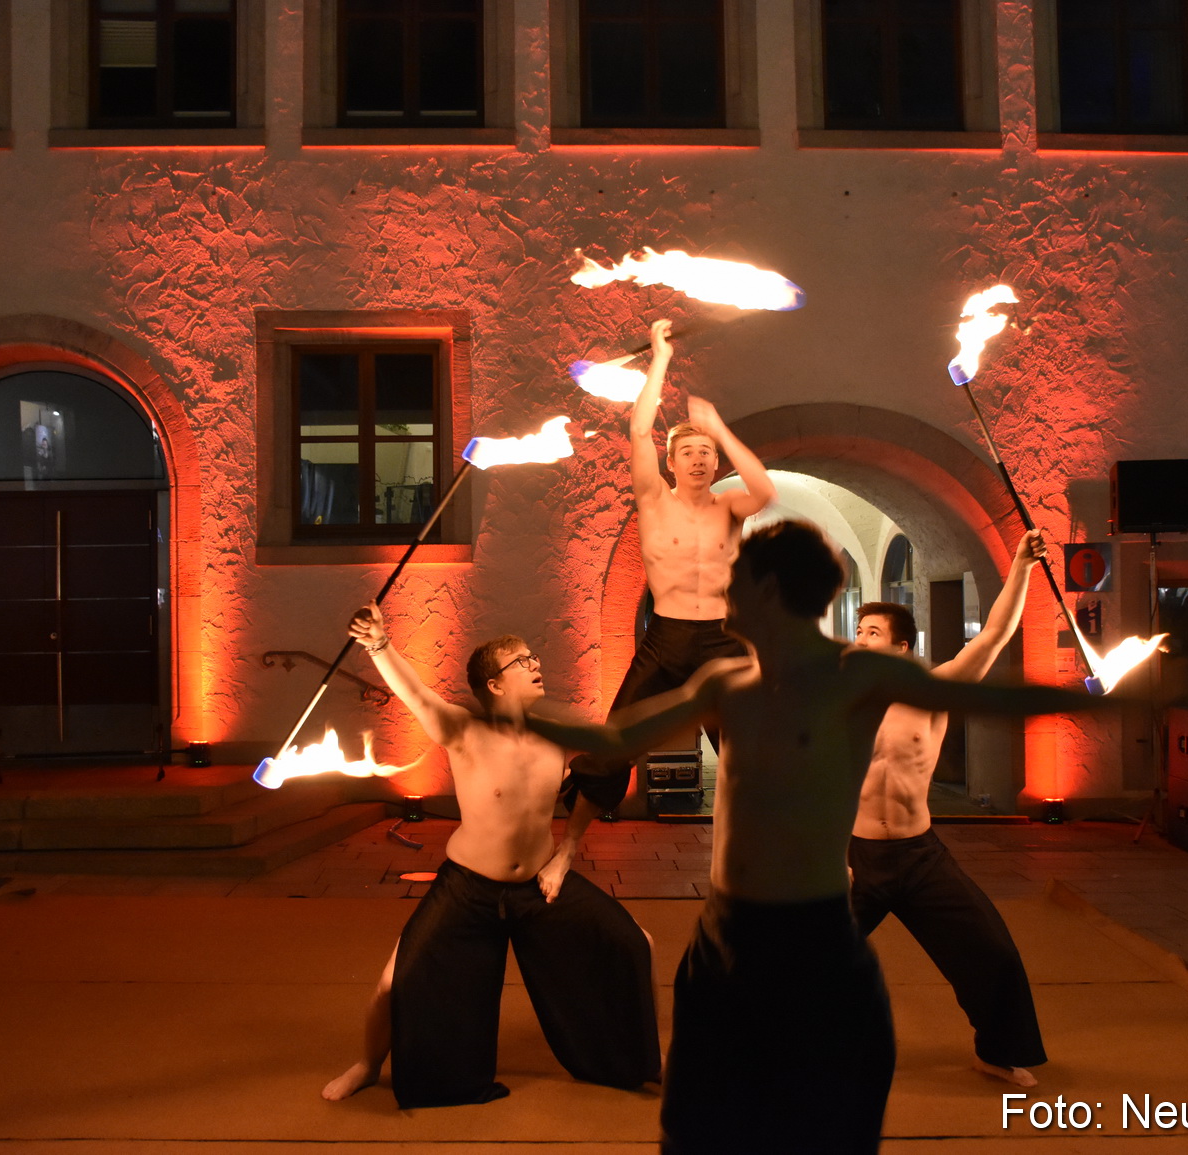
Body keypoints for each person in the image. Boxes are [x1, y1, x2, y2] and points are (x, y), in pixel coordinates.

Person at [527, 521, 1106, 1154]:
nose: (720, 595)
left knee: (975, 959)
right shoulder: (731, 684)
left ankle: (1000, 1048)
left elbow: (1000, 675)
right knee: (711, 1105)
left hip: (891, 872)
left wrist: (1103, 690)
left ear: (769, 591)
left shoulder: (867, 681)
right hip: (799, 891)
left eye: (735, 581)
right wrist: (515, 714)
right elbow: (615, 740)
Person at [321, 604, 660, 1108]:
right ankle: (369, 1065)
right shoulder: (464, 730)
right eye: (521, 661)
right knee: (393, 984)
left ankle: (647, 1062)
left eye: (533, 657)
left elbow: (600, 778)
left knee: (640, 943)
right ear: (495, 685)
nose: (535, 663)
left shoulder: (558, 735)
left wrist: (565, 854)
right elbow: (415, 693)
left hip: (540, 886)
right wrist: (378, 643)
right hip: (468, 888)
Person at [849, 530, 1048, 1088]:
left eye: (873, 632)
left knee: (994, 953)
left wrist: (1021, 567)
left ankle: (998, 1050)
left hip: (919, 857)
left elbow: (992, 637)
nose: (860, 639)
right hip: (853, 856)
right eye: (858, 630)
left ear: (901, 648)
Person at [565, 318, 777, 821]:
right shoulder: (655, 500)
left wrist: (720, 428)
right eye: (689, 452)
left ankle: (779, 856)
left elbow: (766, 491)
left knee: (752, 753)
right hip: (666, 639)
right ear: (672, 462)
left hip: (724, 640)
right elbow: (639, 429)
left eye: (707, 453)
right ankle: (569, 844)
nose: (699, 460)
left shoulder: (729, 505)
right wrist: (660, 357)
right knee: (614, 741)